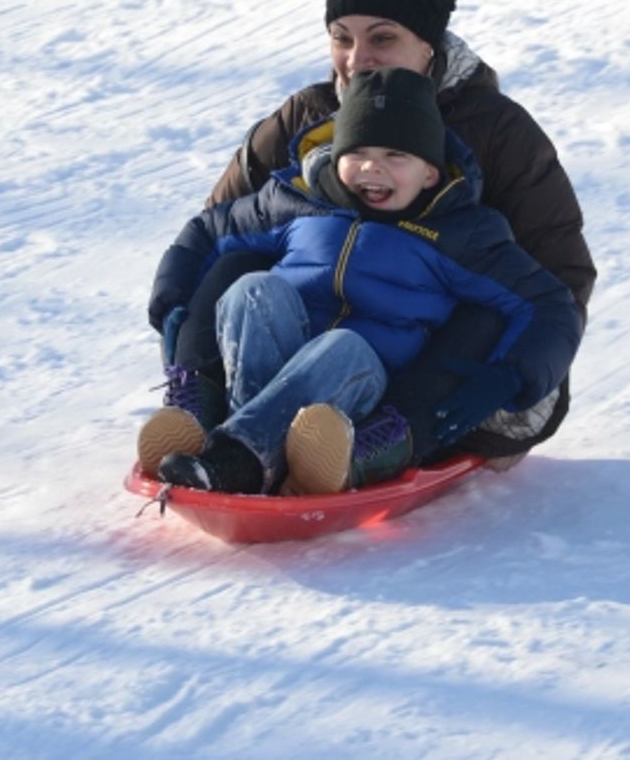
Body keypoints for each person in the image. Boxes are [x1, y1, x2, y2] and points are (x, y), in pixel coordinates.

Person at [193, 0, 596, 471]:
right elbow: (214, 231)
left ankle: (380, 439)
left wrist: (514, 375)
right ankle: (232, 429)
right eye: (341, 38)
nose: (358, 60)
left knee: (483, 310)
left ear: (428, 43)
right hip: (296, 350)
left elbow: (557, 279)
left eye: (381, 37)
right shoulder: (304, 119)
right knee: (239, 265)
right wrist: (188, 348)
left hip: (434, 370)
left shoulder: (498, 132)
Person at [139, 67, 581, 495]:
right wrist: (175, 304)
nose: (373, 169)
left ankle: (242, 458)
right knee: (253, 290)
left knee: (343, 345)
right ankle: (244, 443)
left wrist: (511, 376)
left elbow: (547, 304)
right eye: (358, 153)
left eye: (396, 156)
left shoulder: (461, 233)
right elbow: (208, 231)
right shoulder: (298, 201)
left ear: (429, 171)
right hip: (277, 370)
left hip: (361, 388)